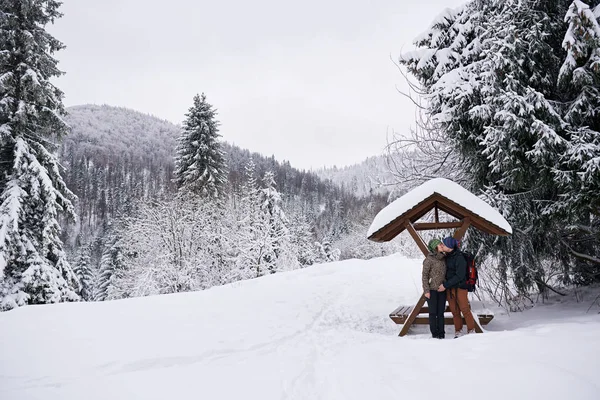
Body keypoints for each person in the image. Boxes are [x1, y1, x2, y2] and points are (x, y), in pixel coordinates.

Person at [437, 237, 476, 338]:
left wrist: (445, 285)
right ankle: (458, 331)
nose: (442, 245)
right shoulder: (447, 256)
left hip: (460, 288)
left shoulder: (459, 258)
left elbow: (460, 276)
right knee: (454, 311)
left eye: (444, 244)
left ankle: (471, 331)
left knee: (465, 309)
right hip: (450, 289)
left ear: (449, 247)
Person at [422, 238, 447, 339]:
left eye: (441, 244)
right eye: (439, 244)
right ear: (434, 247)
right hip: (431, 290)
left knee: (440, 313)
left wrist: (445, 285)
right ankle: (434, 334)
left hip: (442, 290)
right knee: (433, 313)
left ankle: (441, 333)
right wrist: (426, 290)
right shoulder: (429, 259)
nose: (442, 245)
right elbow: (424, 276)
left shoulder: (444, 258)